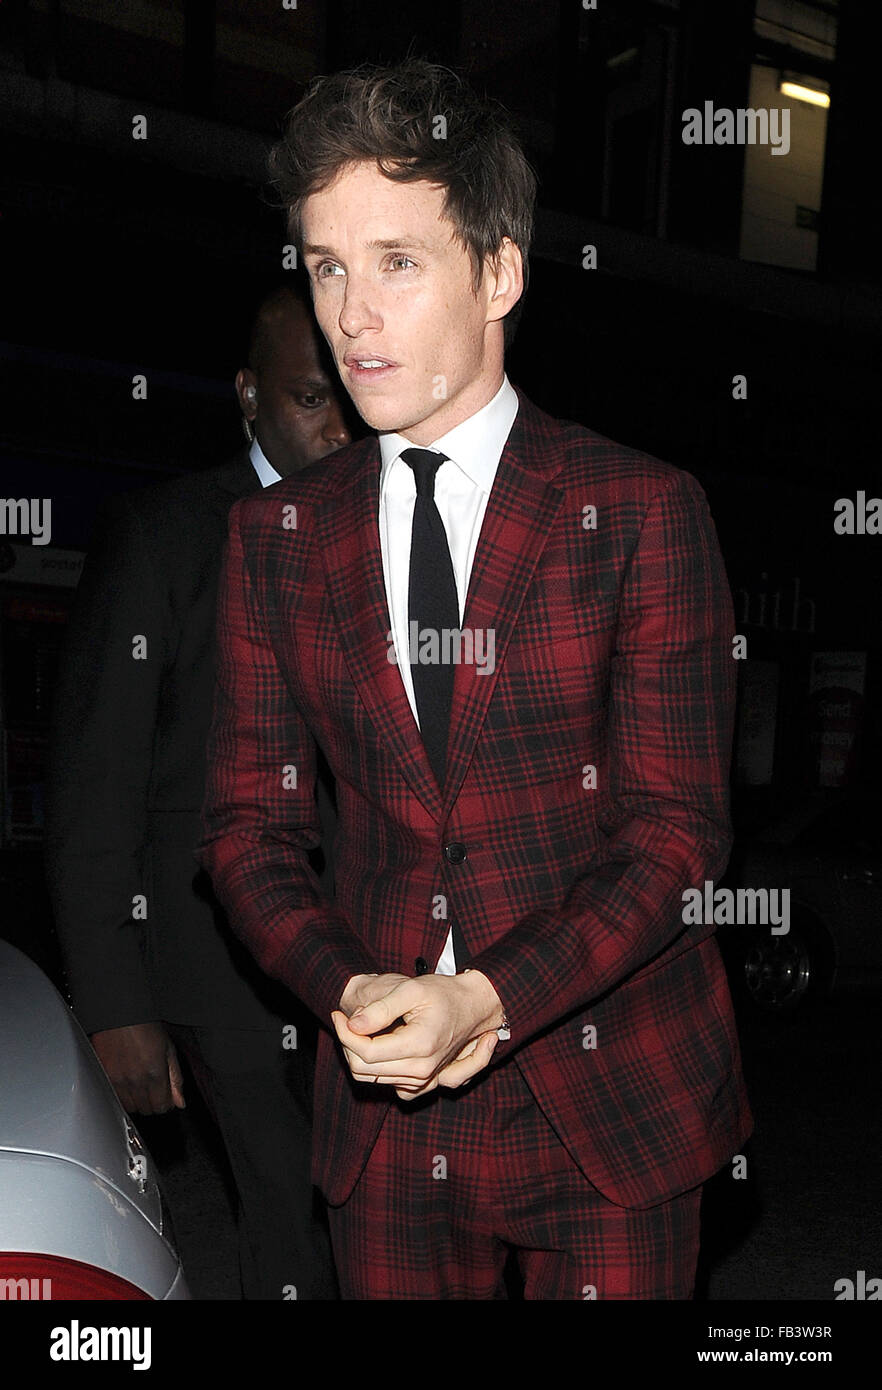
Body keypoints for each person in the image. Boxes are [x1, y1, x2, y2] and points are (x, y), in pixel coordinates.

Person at [198, 59, 753, 1300]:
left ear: (500, 272)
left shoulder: (645, 510)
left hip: (613, 1092)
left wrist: (491, 999)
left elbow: (674, 833)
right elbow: (246, 829)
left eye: (397, 262)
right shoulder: (275, 538)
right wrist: (350, 987)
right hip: (384, 1110)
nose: (350, 315)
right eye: (326, 265)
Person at [44, 283, 351, 1300]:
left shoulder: (393, 532)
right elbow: (97, 778)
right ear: (249, 395)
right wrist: (117, 1003)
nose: (336, 422)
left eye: (350, 392)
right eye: (311, 397)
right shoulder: (166, 534)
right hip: (211, 958)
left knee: (369, 1202)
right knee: (289, 1200)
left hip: (366, 936)